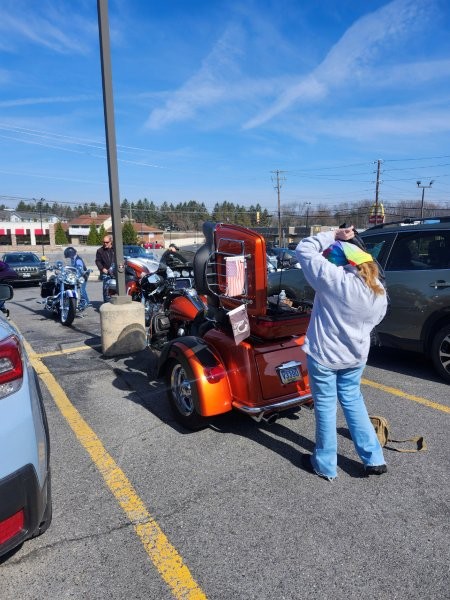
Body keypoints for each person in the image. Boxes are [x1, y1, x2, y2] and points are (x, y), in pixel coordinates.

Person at [295, 226, 388, 480]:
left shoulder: (334, 278)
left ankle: (325, 464)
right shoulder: (378, 290)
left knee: (326, 406)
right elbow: (377, 319)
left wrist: (334, 234)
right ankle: (374, 458)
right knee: (353, 400)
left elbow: (304, 248)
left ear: (343, 260)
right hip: (356, 356)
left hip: (324, 355)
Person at [95, 235, 115, 302]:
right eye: (104, 242)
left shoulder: (115, 250)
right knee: (106, 287)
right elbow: (98, 261)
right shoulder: (100, 251)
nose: (105, 243)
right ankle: (106, 302)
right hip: (106, 272)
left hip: (115, 271)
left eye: (107, 242)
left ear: (111, 242)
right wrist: (102, 269)